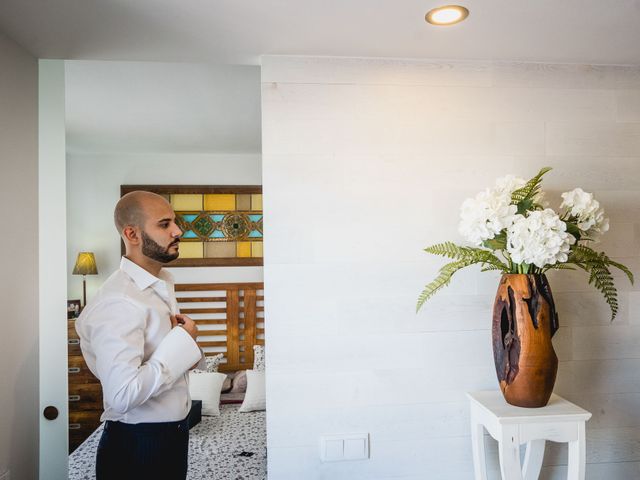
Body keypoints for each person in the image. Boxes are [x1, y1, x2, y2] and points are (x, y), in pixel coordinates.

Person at [76, 191, 205, 480]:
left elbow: (162, 358)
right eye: (164, 224)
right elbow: (121, 395)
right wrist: (183, 344)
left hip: (170, 437)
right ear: (132, 234)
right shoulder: (119, 301)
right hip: (140, 446)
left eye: (175, 221)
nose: (178, 230)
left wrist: (185, 350)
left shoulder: (160, 285)